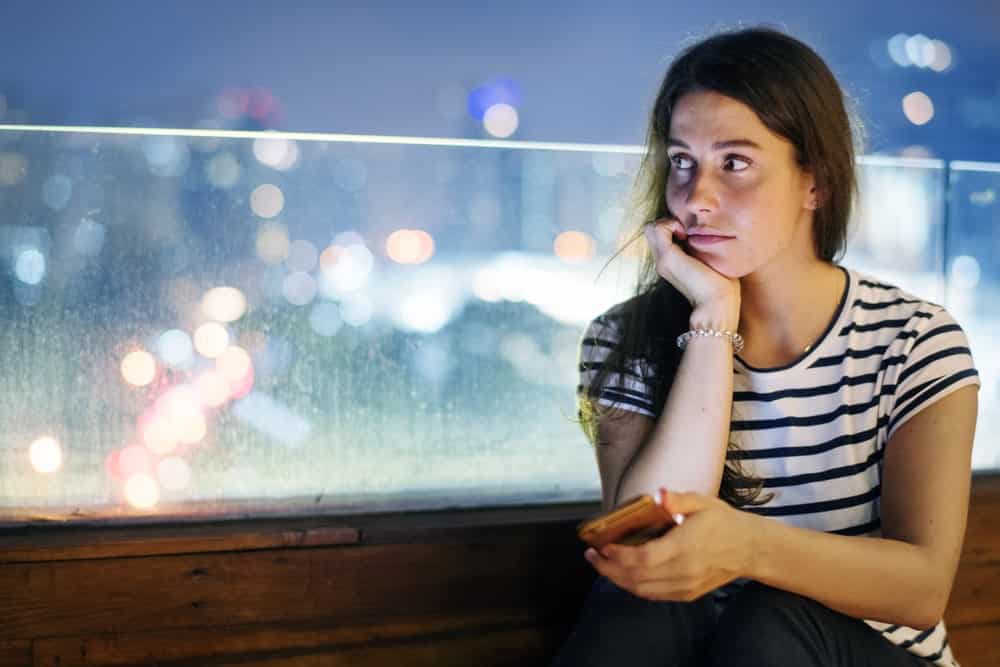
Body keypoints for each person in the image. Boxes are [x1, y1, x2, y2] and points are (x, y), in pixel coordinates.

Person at [551, 25, 980, 667]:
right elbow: (646, 550)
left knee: (772, 619)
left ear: (815, 182)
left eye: (735, 163)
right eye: (682, 161)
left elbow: (921, 590)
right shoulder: (623, 340)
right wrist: (712, 319)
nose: (697, 198)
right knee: (640, 605)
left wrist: (746, 548)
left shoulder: (913, 339)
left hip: (870, 654)